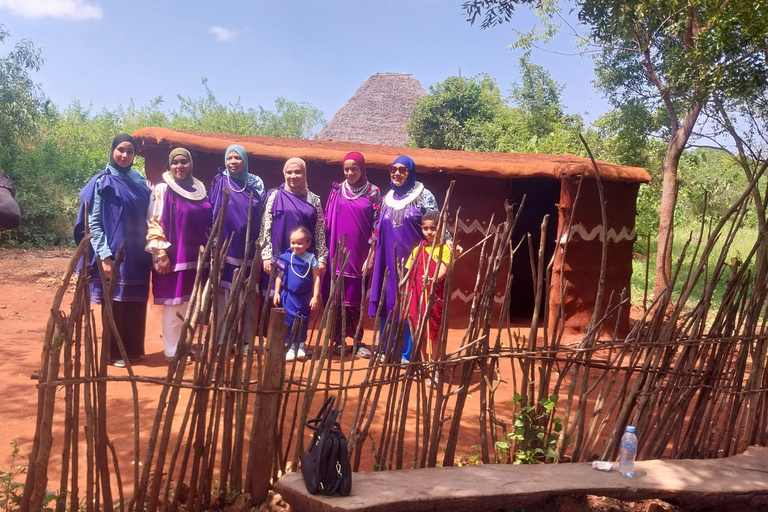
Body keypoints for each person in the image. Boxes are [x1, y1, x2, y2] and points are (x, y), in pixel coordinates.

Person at [74, 134, 152, 367]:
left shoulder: (140, 182)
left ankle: (132, 350)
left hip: (139, 252)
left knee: (136, 301)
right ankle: (114, 353)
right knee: (115, 301)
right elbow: (94, 221)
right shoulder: (102, 182)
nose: (125, 155)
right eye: (120, 150)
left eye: (130, 151)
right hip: (114, 252)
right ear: (112, 151)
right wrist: (105, 256)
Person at [368, 155, 442, 362]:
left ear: (411, 172)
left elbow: (438, 224)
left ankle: (406, 353)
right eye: (393, 169)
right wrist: (372, 254)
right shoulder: (386, 198)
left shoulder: (424, 196)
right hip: (387, 261)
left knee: (411, 304)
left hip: (414, 261)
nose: (397, 173)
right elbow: (377, 229)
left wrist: (449, 242)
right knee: (389, 303)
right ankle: (386, 349)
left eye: (403, 170)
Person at [146, 148, 211, 363]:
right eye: (175, 163)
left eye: (184, 162)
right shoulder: (163, 189)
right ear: (169, 165)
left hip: (196, 258)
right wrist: (161, 253)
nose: (179, 166)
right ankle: (172, 351)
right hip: (174, 256)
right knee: (174, 304)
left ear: (191, 164)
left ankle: (184, 345)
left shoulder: (199, 189)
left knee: (189, 304)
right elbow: (154, 221)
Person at [324, 152, 381, 358]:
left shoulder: (373, 192)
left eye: (354, 168)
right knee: (338, 298)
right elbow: (327, 222)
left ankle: (357, 340)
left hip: (359, 255)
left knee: (356, 299)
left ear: (362, 168)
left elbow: (377, 227)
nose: (350, 172)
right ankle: (338, 340)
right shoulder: (337, 191)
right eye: (346, 169)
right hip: (338, 253)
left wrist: (371, 255)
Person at [210, 144, 265, 345]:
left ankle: (246, 341)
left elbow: (262, 214)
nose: (233, 162)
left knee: (247, 293)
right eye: (229, 158)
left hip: (249, 246)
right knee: (224, 295)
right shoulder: (219, 181)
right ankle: (223, 339)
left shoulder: (256, 182)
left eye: (237, 158)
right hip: (226, 245)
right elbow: (213, 214)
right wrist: (215, 245)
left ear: (244, 160)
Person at [260, 157, 328, 296]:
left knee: (299, 303)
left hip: (303, 262)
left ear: (304, 173)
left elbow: (319, 231)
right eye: (289, 172)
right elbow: (265, 227)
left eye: (297, 172)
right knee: (275, 301)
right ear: (284, 174)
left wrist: (322, 259)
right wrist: (266, 256)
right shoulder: (275, 196)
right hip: (277, 259)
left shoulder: (313, 199)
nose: (293, 176)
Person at [403, 210, 451, 365]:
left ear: (441, 228)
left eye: (433, 228)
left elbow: (444, 269)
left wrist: (433, 279)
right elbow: (409, 272)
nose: (429, 232)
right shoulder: (417, 250)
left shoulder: (444, 249)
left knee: (435, 333)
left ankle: (435, 364)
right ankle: (424, 363)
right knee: (420, 332)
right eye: (425, 228)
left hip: (435, 297)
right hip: (417, 297)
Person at [273, 226, 322, 361]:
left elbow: (317, 278)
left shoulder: (311, 259)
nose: (295, 246)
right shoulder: (286, 257)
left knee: (302, 320)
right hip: (289, 297)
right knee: (289, 321)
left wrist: (315, 296)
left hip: (305, 298)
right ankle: (289, 347)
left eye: (300, 243)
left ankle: (300, 346)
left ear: (308, 244)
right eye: (292, 242)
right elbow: (279, 276)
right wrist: (277, 293)